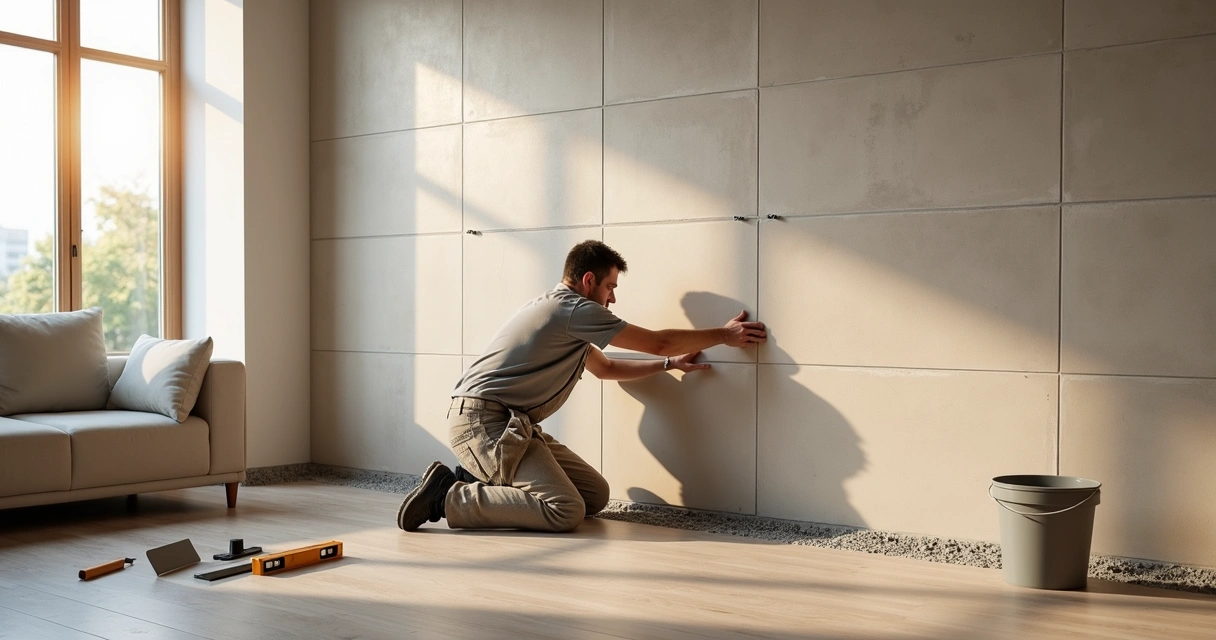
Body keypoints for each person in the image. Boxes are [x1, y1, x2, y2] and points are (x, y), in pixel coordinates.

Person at [396, 240, 767, 532]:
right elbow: (659, 341)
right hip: (484, 424)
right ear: (588, 280)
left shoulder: (566, 319)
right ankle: (448, 496)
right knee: (565, 511)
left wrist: (669, 364)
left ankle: (475, 475)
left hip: (509, 424)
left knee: (594, 495)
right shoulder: (572, 310)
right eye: (610, 286)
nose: (613, 297)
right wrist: (724, 335)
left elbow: (605, 368)